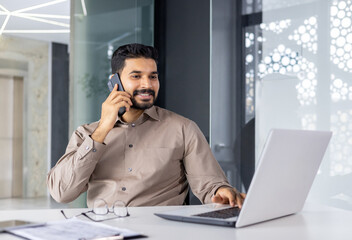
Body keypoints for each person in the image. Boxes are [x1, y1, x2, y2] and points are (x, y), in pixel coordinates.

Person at [47, 43, 245, 208]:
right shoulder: (87, 134)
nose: (147, 85)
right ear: (114, 82)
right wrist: (102, 130)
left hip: (162, 233)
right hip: (104, 231)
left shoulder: (183, 129)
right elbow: (62, 192)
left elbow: (209, 184)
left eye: (153, 76)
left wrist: (222, 191)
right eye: (136, 76)